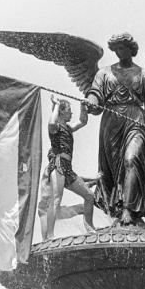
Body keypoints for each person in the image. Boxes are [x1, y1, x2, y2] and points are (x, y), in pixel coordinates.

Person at [85, 33, 145, 225]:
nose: (119, 52)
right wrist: (92, 101)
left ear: (131, 49)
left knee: (132, 159)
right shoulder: (104, 73)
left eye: (122, 48)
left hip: (137, 120)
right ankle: (119, 208)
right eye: (116, 49)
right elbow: (95, 94)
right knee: (113, 171)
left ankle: (129, 209)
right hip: (111, 123)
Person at [37, 95, 99, 239]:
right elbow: (51, 123)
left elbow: (83, 121)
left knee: (89, 196)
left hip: (68, 169)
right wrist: (56, 105)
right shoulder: (56, 127)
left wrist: (83, 107)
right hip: (58, 167)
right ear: (62, 112)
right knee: (56, 201)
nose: (71, 113)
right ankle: (50, 237)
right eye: (69, 110)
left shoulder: (68, 128)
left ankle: (90, 228)